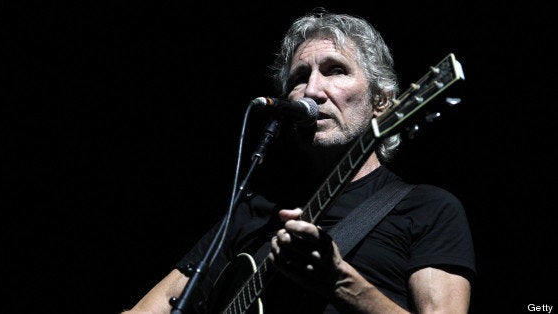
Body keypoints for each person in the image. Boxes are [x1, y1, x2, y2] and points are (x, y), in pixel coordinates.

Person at [122, 8, 475, 313]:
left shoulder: (427, 209)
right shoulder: (254, 214)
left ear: (381, 102)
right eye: (299, 78)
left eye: (335, 70)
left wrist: (339, 282)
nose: (311, 91)